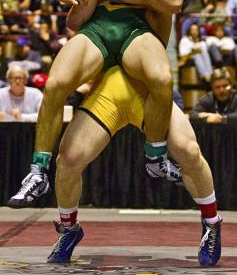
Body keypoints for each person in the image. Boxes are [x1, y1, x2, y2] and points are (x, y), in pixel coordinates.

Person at [26, 0, 183, 184]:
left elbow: (174, 1)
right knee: (56, 82)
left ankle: (155, 155)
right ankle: (37, 171)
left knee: (163, 79)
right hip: (95, 22)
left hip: (134, 27)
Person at [27, 65, 220, 267]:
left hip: (147, 90)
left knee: (189, 151)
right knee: (67, 161)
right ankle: (69, 229)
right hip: (107, 92)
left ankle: (212, 223)